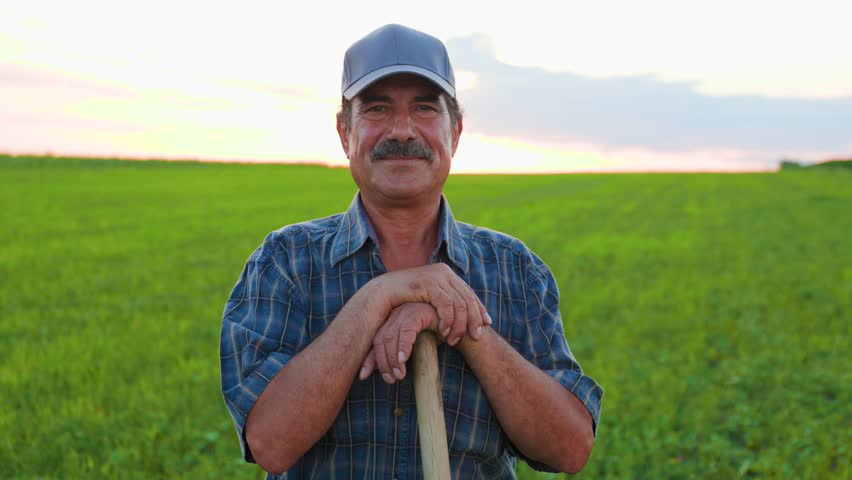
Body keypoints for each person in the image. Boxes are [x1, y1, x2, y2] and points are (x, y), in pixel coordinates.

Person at [220, 24, 603, 479]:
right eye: (377, 108)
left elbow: (569, 450)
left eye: (424, 107)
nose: (402, 130)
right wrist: (378, 297)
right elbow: (271, 442)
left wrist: (459, 322)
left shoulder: (514, 269)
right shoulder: (286, 262)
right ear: (344, 132)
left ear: (455, 132)